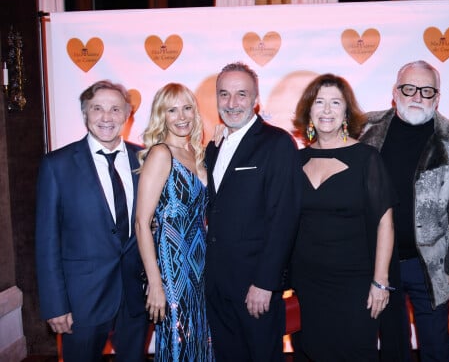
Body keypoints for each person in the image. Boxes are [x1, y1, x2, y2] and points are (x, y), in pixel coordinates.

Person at [359, 60, 449, 362]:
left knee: (436, 345)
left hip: (430, 263)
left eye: (426, 90)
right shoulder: (366, 128)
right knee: (389, 346)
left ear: (437, 97)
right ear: (395, 93)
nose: (417, 96)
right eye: (409, 88)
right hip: (376, 261)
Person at [35, 80, 148, 362]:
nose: (106, 117)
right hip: (81, 302)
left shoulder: (146, 159)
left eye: (115, 109)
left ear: (127, 115)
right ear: (85, 114)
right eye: (97, 109)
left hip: (135, 298)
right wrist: (54, 305)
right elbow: (46, 242)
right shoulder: (57, 165)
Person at [290, 73, 396, 361]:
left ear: (346, 112)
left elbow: (385, 222)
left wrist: (380, 281)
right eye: (319, 102)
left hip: (354, 282)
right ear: (308, 111)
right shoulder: (295, 160)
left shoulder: (366, 158)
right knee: (310, 352)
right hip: (307, 282)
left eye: (335, 103)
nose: (326, 110)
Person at [204, 62, 302, 361]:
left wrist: (265, 283)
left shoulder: (277, 143)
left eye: (241, 94)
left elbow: (284, 218)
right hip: (217, 283)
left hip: (254, 286)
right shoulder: (214, 146)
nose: (232, 103)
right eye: (224, 94)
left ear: (256, 99)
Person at [135, 83, 214, 361]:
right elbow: (142, 223)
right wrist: (155, 282)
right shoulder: (161, 154)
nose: (181, 116)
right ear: (162, 115)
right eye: (172, 110)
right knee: (179, 339)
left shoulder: (199, 154)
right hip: (172, 265)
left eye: (187, 108)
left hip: (202, 262)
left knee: (202, 338)